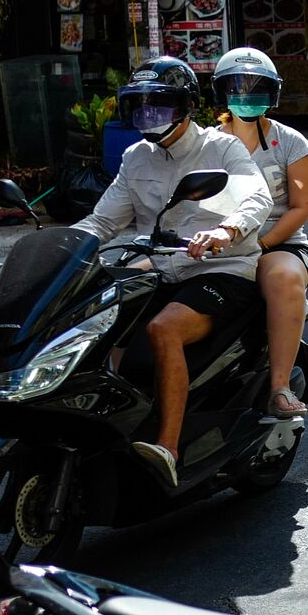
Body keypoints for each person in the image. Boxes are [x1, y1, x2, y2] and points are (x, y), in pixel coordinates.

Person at [73, 57, 273, 486]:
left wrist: (226, 228)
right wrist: (61, 247)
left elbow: (256, 196)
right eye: (140, 107)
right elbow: (102, 221)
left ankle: (167, 446)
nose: (149, 116)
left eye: (159, 106)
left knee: (163, 329)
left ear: (185, 107)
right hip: (161, 271)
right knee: (98, 321)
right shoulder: (135, 158)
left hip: (222, 270)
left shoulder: (222, 148)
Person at [211, 47, 308, 421]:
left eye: (256, 89)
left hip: (278, 244)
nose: (246, 97)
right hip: (218, 243)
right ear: (221, 93)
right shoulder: (207, 143)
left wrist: (262, 244)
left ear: (271, 94)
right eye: (237, 89)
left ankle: (280, 387)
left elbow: (301, 207)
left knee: (285, 278)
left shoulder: (291, 142)